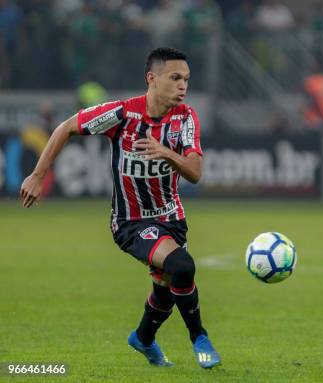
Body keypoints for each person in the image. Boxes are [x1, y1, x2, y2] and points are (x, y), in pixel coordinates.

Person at [20, 47, 221, 369]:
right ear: (151, 79)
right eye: (175, 78)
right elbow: (65, 128)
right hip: (130, 222)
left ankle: (142, 339)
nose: (183, 85)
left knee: (167, 288)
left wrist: (165, 153)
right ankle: (199, 337)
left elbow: (195, 173)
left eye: (186, 79)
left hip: (173, 218)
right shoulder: (122, 114)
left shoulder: (185, 117)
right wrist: (37, 175)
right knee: (182, 266)